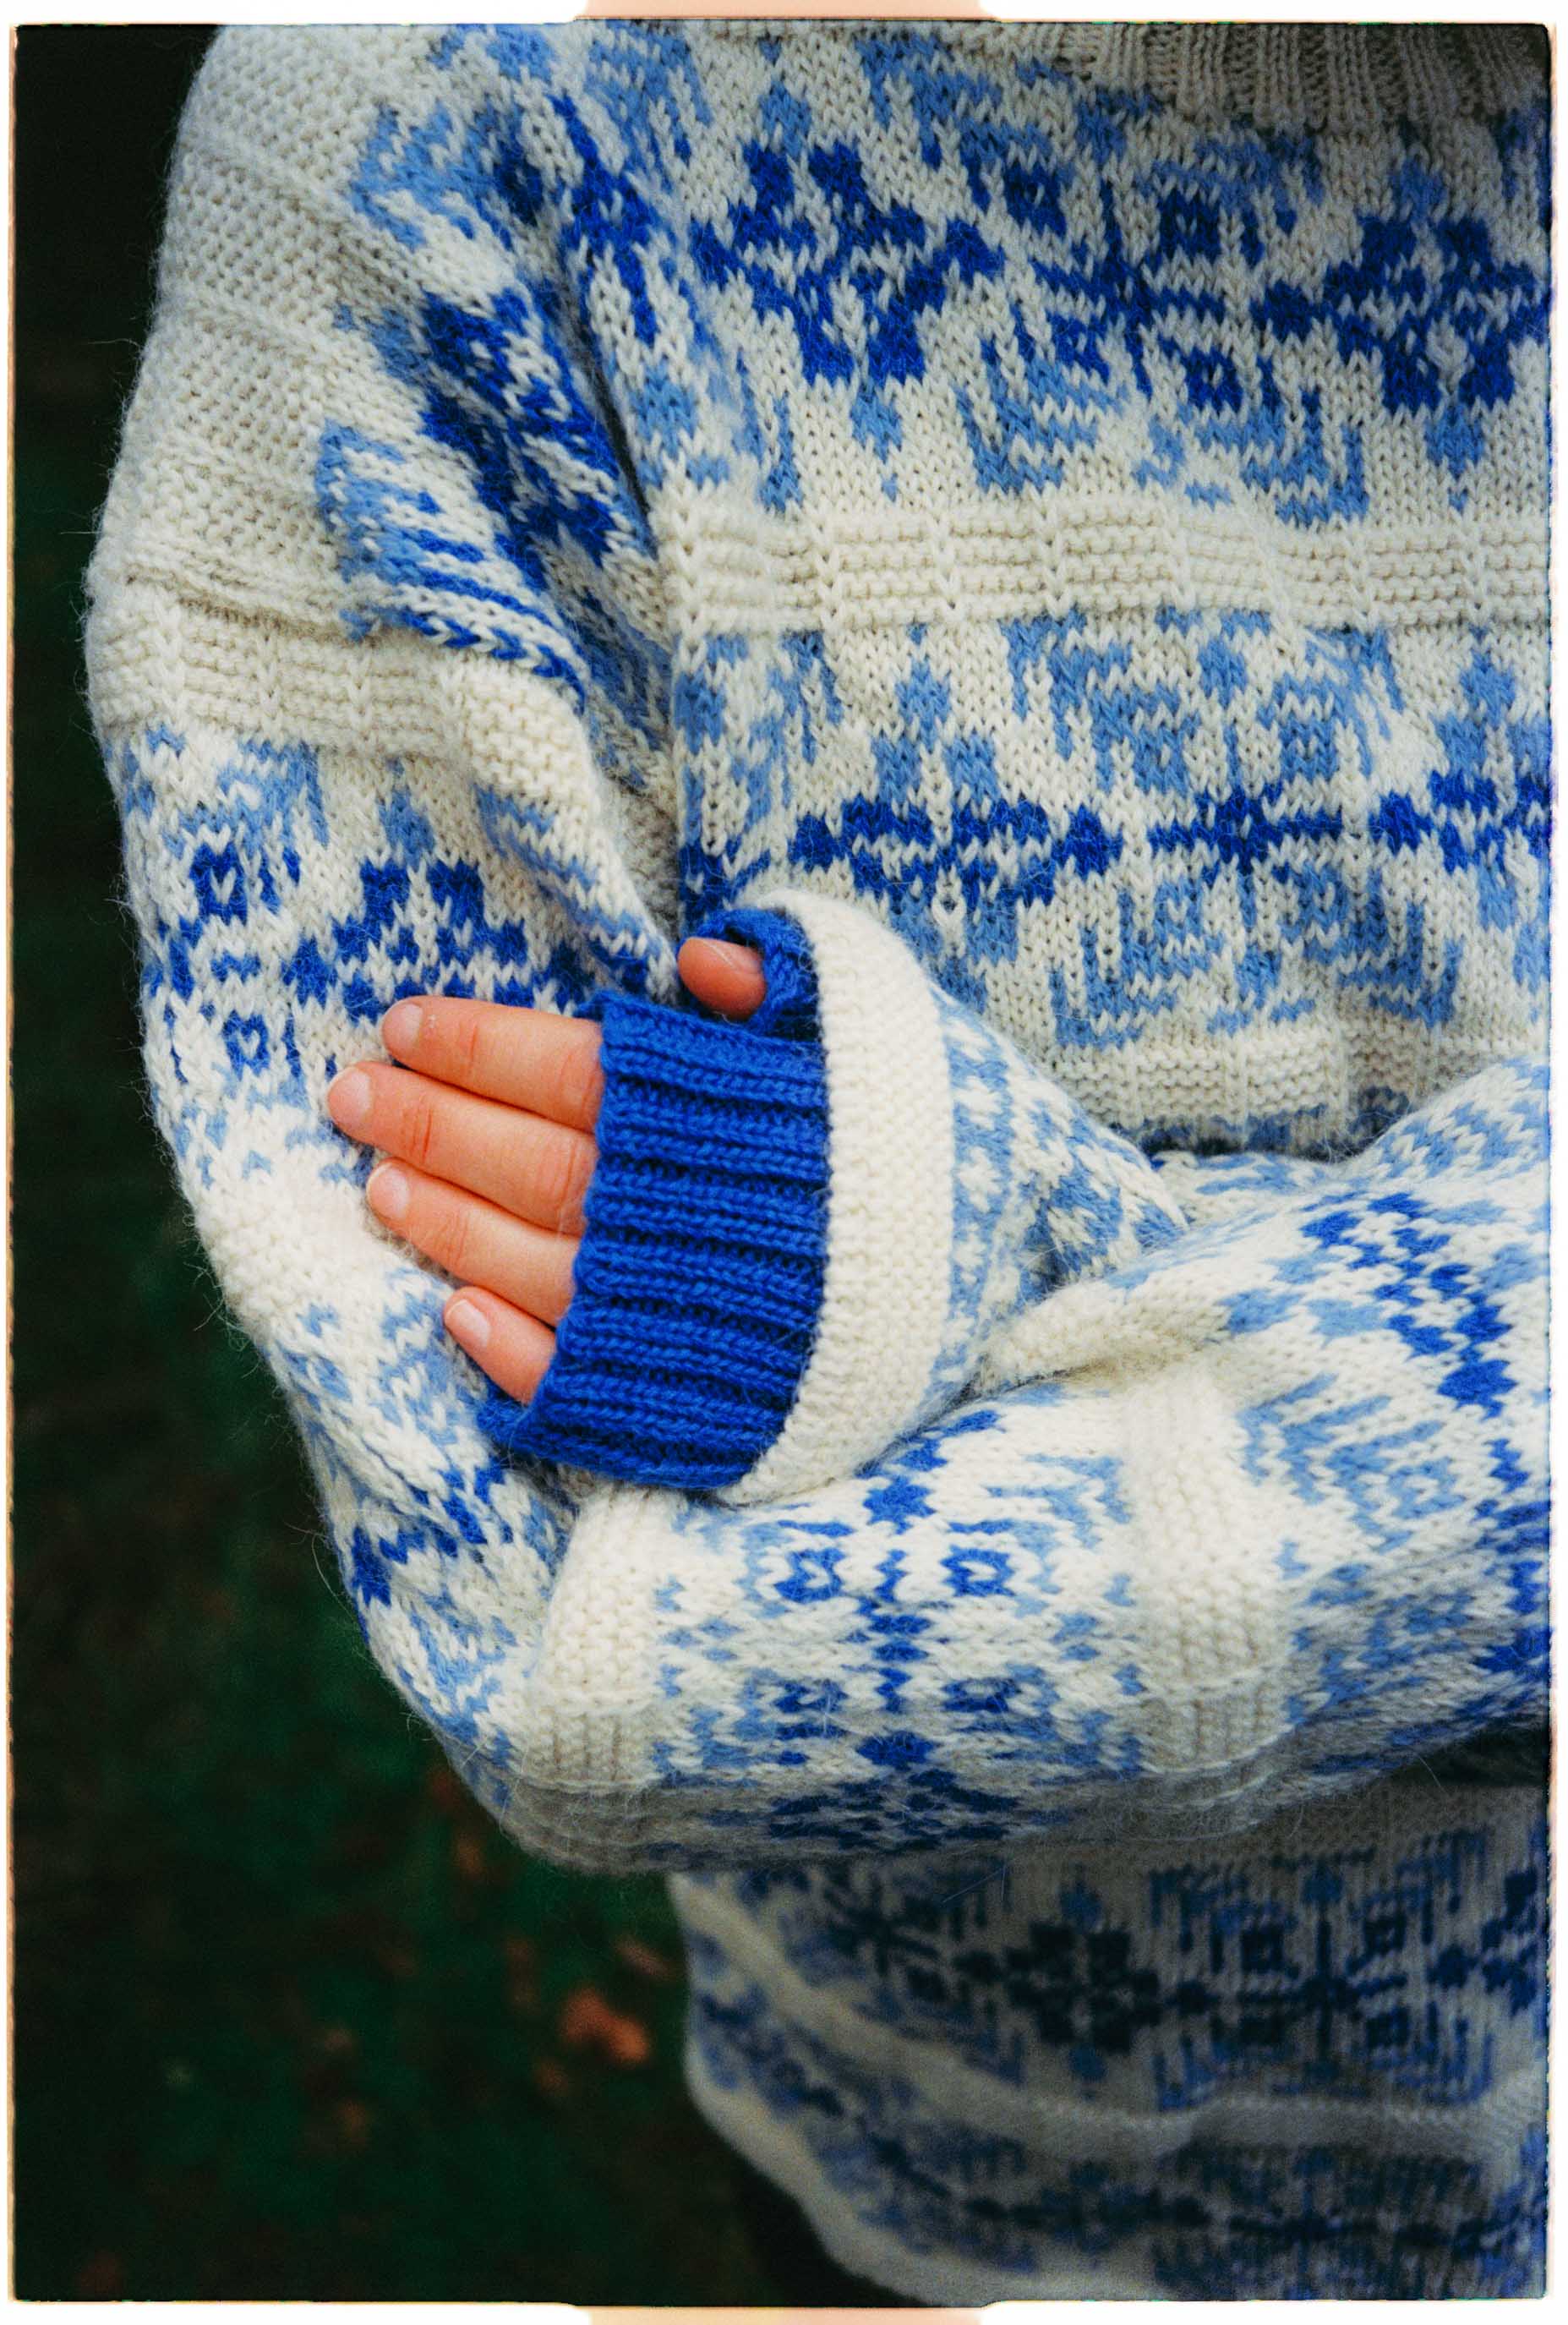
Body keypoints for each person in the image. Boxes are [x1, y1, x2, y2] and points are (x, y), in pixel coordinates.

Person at [85, 19, 1549, 2301]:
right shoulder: (425, 137)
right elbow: (558, 1616)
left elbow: (748, 1614)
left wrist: (936, 1253)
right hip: (923, 2153)